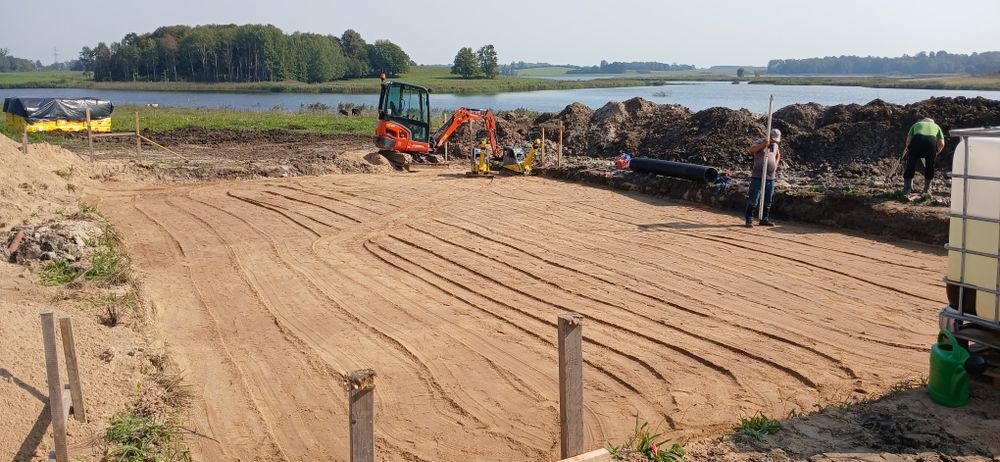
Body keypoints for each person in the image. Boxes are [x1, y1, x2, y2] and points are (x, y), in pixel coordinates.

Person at [745, 128, 781, 228]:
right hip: (758, 176)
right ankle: (749, 220)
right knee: (754, 199)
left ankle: (764, 219)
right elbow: (751, 150)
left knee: (768, 199)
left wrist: (776, 164)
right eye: (773, 139)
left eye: (776, 140)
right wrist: (763, 145)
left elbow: (778, 155)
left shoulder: (775, 145)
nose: (774, 141)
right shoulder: (759, 141)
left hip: (770, 177)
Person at [903, 117, 945, 195]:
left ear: (922, 121)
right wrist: (936, 153)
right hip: (931, 142)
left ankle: (907, 190)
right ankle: (926, 190)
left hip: (917, 141)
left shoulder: (916, 124)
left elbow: (908, 140)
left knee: (910, 164)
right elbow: (942, 143)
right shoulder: (936, 126)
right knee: (930, 166)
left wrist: (909, 149)